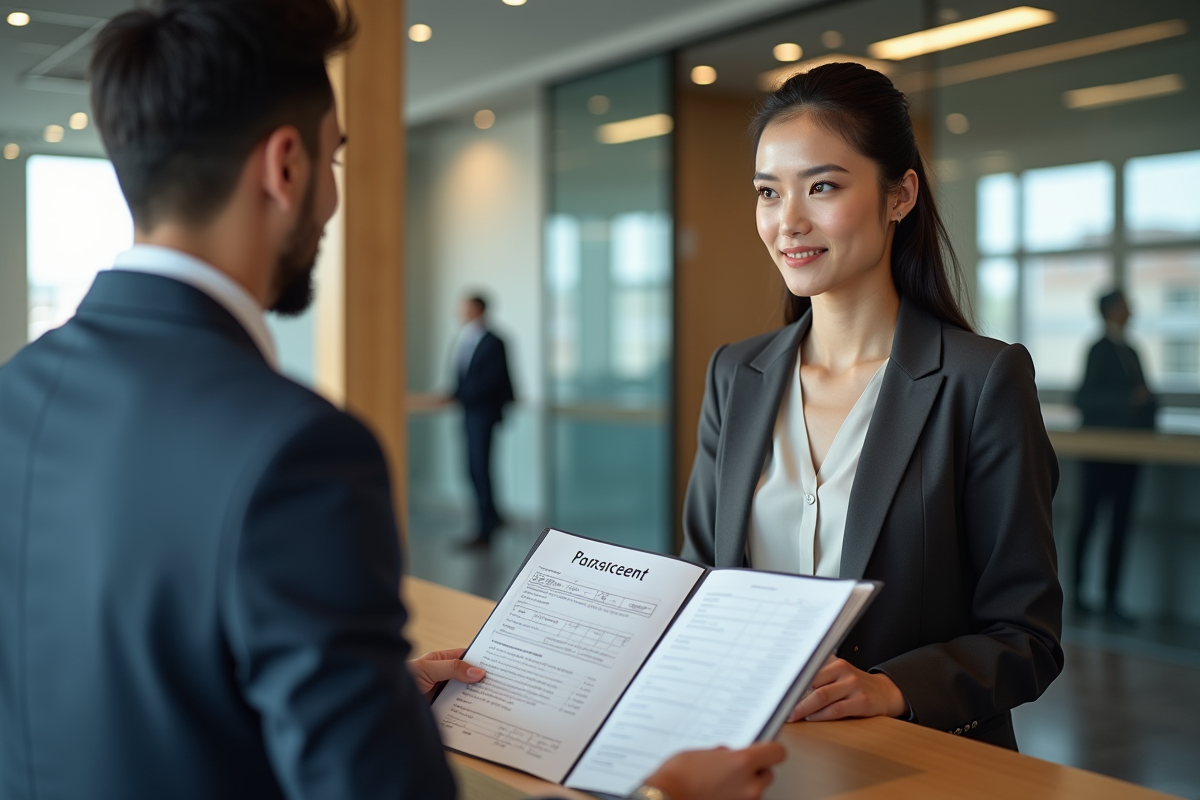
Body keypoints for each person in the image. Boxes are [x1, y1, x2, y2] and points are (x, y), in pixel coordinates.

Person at [0, 2, 784, 799]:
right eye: (334, 159)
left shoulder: (16, 392)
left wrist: (359, 690)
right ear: (285, 166)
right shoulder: (294, 448)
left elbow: (125, 685)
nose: (334, 201)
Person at [681, 63, 1064, 750]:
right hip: (757, 754)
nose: (787, 221)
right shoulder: (736, 373)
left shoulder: (982, 381)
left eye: (822, 186)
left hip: (919, 763)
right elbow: (701, 586)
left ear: (900, 195)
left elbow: (1026, 636)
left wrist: (892, 687)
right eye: (768, 193)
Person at [1072, 289, 1156, 622]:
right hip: (1100, 453)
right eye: (1125, 304)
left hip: (1129, 453)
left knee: (1120, 525)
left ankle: (1111, 598)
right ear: (1111, 310)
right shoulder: (1099, 349)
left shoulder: (1132, 350)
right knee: (1089, 521)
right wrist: (1129, 403)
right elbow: (1085, 399)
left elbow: (1146, 395)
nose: (1132, 309)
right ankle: (1077, 594)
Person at [448, 293, 514, 548]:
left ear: (477, 309)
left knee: (480, 469)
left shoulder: (494, 341)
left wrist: (463, 395)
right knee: (473, 469)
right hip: (468, 412)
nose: (460, 312)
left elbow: (492, 380)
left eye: (464, 307)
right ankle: (492, 517)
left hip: (483, 413)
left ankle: (486, 527)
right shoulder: (465, 338)